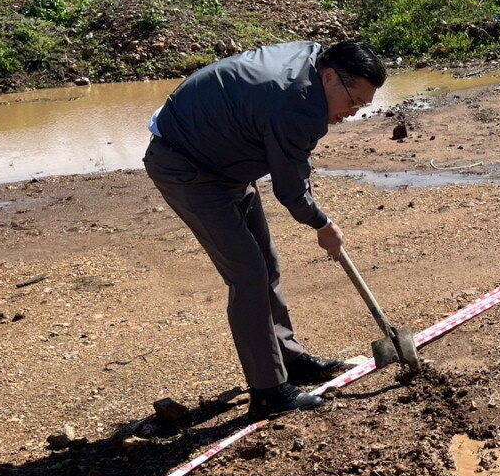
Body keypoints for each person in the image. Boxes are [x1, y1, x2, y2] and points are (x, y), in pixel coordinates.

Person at [143, 40, 386, 419]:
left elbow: (292, 161)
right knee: (249, 275)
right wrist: (323, 225)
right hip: (188, 167)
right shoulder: (298, 106)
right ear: (329, 77)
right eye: (353, 101)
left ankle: (287, 360)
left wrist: (301, 172)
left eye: (363, 106)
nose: (352, 113)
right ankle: (268, 392)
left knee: (267, 262)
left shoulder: (313, 57)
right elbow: (290, 191)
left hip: (225, 155)